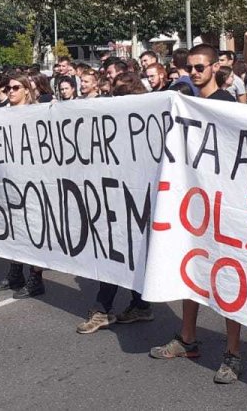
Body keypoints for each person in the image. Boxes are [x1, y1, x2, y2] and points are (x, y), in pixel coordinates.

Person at [150, 43, 244, 385]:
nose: (194, 72)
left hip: (221, 204)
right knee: (191, 269)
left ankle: (232, 353)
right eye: (190, 67)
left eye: (200, 67)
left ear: (214, 67)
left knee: (227, 278)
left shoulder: (226, 104)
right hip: (192, 204)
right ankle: (187, 339)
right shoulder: (184, 101)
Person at [77, 72, 153, 334]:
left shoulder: (145, 119)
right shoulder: (112, 119)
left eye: (119, 93)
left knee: (120, 252)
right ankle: (139, 305)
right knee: (122, 252)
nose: (114, 98)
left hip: (135, 198)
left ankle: (103, 309)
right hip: (117, 195)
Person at [0, 74, 46, 299]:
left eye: (15, 87)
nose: (10, 91)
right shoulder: (1, 112)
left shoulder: (38, 112)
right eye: (8, 87)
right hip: (9, 180)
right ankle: (15, 272)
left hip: (32, 182)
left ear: (26, 90)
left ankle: (36, 279)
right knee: (14, 230)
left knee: (33, 231)